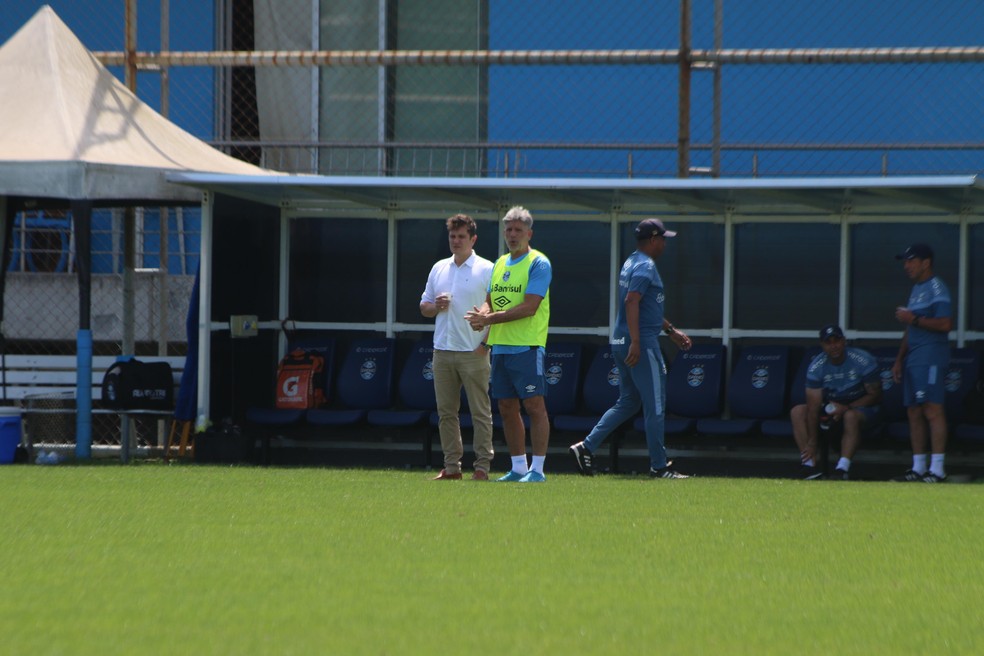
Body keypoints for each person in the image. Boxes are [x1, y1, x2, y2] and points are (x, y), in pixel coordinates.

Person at [568, 218, 693, 479]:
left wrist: (670, 331)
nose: (665, 245)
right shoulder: (646, 266)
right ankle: (659, 467)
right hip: (641, 344)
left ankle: (586, 446)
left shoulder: (631, 261)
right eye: (663, 240)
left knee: (628, 402)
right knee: (655, 406)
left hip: (621, 341)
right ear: (653, 240)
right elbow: (632, 301)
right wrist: (637, 342)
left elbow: (646, 307)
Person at [464, 206, 552, 483]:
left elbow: (529, 307)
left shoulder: (539, 263)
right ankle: (518, 468)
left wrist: (489, 318)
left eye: (518, 230)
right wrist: (481, 315)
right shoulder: (500, 263)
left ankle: (537, 471)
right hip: (501, 347)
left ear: (529, 233)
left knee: (534, 406)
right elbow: (490, 299)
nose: (512, 235)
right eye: (509, 230)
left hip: (527, 345)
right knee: (506, 407)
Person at [420, 214, 495, 481]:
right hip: (442, 351)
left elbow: (495, 308)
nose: (456, 241)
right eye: (453, 236)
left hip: (474, 351)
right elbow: (424, 307)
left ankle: (482, 467)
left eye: (462, 236)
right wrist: (435, 306)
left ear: (473, 239)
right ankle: (452, 467)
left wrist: (485, 345)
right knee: (446, 413)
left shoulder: (487, 268)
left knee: (480, 412)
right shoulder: (439, 267)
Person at [891, 243, 953, 483]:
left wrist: (913, 318)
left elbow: (946, 324)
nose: (906, 266)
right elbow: (911, 328)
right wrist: (899, 359)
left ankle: (937, 469)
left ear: (926, 262)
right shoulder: (916, 289)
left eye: (911, 260)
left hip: (931, 357)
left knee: (932, 409)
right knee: (914, 410)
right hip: (913, 359)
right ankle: (918, 467)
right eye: (905, 261)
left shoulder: (937, 287)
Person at [790, 325, 882, 481]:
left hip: (862, 407)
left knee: (851, 416)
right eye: (828, 342)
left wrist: (846, 408)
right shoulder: (816, 367)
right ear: (822, 345)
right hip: (832, 407)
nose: (834, 346)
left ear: (844, 341)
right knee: (798, 411)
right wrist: (812, 442)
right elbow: (813, 408)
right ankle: (809, 465)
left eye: (837, 341)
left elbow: (876, 395)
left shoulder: (862, 360)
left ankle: (842, 469)